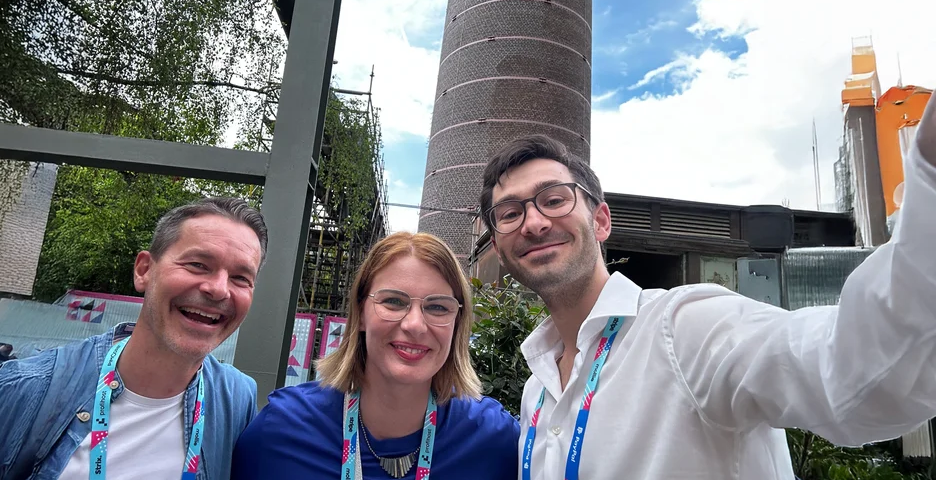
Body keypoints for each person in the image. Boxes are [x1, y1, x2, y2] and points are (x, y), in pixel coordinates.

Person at [480, 92, 936, 480]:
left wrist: (930, 170)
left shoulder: (686, 328)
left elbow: (862, 374)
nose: (534, 222)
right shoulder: (536, 390)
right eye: (509, 213)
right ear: (499, 248)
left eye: (554, 200)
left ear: (600, 221)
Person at [0, 197, 267, 480]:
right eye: (197, 265)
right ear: (144, 270)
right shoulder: (26, 390)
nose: (218, 289)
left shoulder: (235, 399)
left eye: (240, 278)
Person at [231, 232, 519, 480]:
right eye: (393, 301)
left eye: (438, 307)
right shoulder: (282, 431)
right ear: (361, 314)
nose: (415, 325)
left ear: (457, 324)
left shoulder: (494, 440)